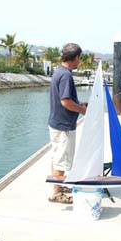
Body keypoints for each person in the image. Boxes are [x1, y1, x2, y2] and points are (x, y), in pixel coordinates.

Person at [48, 43, 87, 204]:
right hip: (63, 125)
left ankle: (59, 186)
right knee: (61, 160)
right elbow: (65, 102)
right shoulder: (66, 76)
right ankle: (56, 194)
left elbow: (66, 100)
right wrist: (82, 110)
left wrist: (79, 104)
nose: (79, 61)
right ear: (76, 57)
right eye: (79, 58)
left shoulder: (59, 71)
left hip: (57, 122)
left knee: (57, 157)